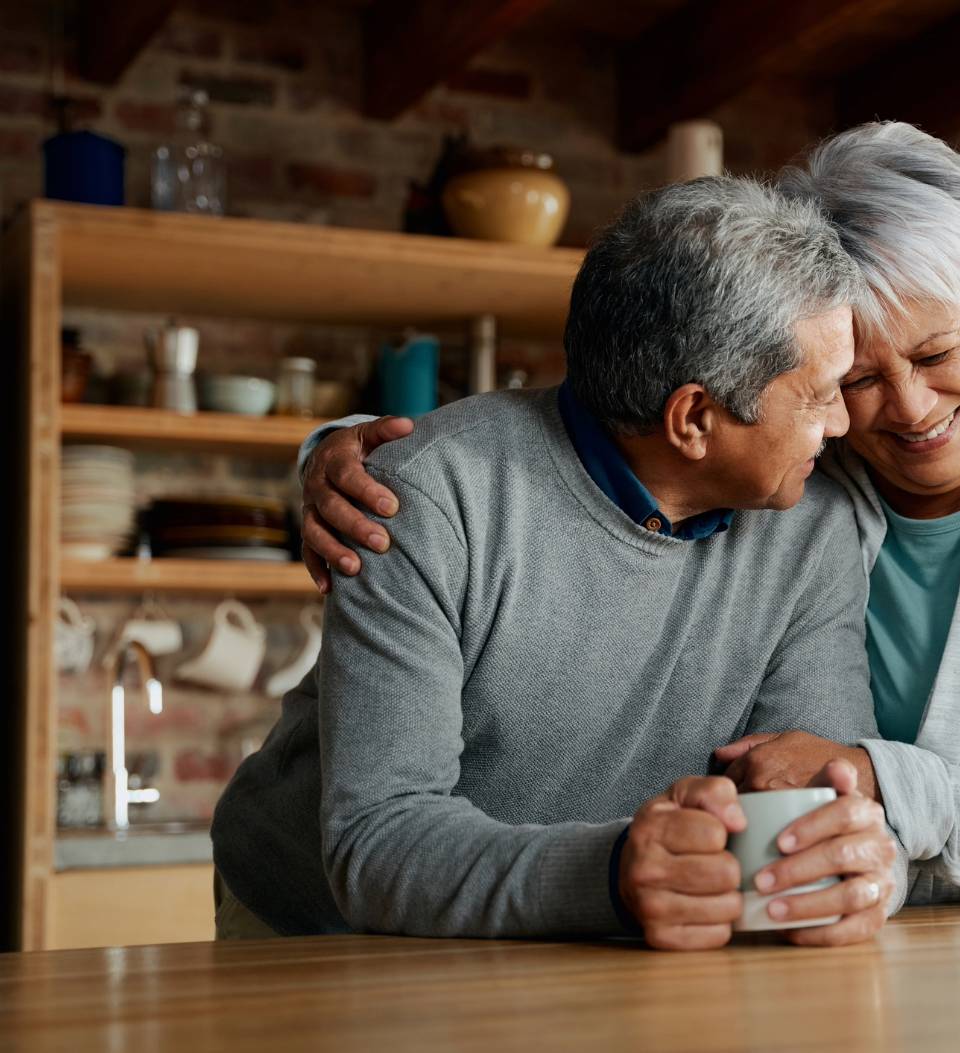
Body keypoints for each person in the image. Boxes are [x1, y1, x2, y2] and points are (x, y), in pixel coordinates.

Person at [304, 124, 960, 907]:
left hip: (901, 951)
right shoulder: (802, 474)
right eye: (847, 379)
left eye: (936, 352)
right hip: (389, 929)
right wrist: (343, 452)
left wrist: (873, 813)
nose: (892, 409)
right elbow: (607, 412)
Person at [211, 176, 899, 951]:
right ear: (695, 419)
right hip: (318, 929)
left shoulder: (813, 526)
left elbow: (819, 800)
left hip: (586, 933)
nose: (844, 422)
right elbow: (375, 840)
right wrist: (611, 875)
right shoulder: (427, 499)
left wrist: (856, 868)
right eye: (819, 395)